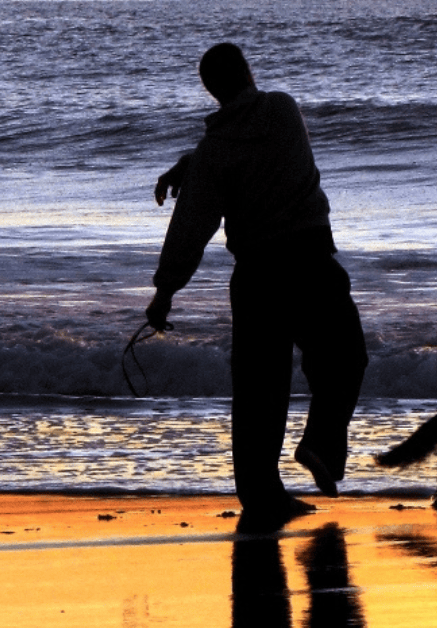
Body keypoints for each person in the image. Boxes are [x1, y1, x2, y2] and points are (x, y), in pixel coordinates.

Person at [146, 43, 368, 528]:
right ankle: (322, 445)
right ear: (249, 71)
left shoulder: (214, 153)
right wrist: (194, 162)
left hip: (259, 274)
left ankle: (262, 493)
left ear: (211, 91)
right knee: (346, 357)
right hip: (310, 259)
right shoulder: (283, 111)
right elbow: (254, 146)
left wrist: (166, 290)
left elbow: (191, 224)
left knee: (259, 390)